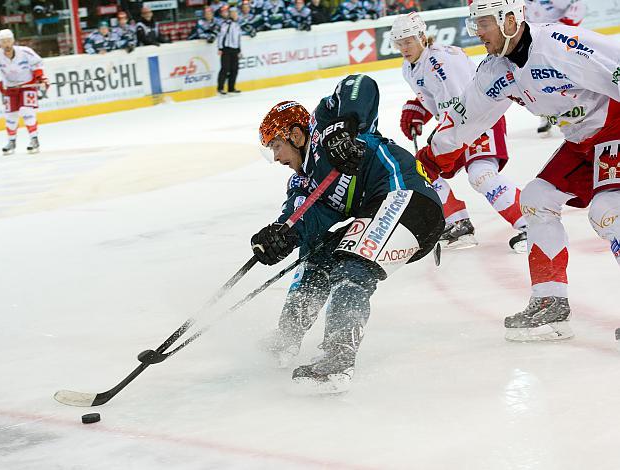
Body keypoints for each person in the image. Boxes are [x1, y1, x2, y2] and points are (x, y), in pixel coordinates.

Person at [415, 0, 620, 341]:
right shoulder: (496, 71)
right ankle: (549, 299)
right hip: (582, 141)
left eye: (484, 23)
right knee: (537, 199)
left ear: (510, 19)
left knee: (608, 212)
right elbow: (467, 119)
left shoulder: (560, 45)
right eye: (475, 24)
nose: (478, 32)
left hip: (615, 126)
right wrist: (431, 160)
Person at [254, 74, 445, 392]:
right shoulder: (304, 182)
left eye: (276, 145)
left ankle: (337, 361)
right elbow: (300, 218)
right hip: (382, 212)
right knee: (317, 254)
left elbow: (360, 84)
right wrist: (280, 235)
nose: (275, 157)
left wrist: (344, 125)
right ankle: (287, 336)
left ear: (297, 135)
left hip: (408, 199)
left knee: (351, 264)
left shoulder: (326, 123)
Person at [391, 12, 527, 252]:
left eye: (408, 41)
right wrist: (418, 108)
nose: (404, 48)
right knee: (424, 172)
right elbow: (437, 96)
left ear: (422, 37)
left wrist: (441, 133)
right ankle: (457, 223)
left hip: (482, 120)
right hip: (456, 126)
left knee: (481, 174)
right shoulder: (411, 66)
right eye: (399, 43)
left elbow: (461, 102)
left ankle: (531, 225)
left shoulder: (440, 61)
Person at [524, 0, 586, 134]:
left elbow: (577, 8)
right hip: (534, 45)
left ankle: (581, 110)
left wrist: (561, 30)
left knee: (568, 78)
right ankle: (546, 115)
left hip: (559, 43)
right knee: (538, 80)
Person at [0, 29, 48, 155]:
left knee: (26, 110)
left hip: (27, 85)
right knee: (10, 115)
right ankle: (11, 141)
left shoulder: (25, 52)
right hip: (10, 87)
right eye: (3, 42)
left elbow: (38, 64)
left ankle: (34, 139)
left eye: (8, 41)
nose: (6, 44)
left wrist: (41, 78)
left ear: (13, 41)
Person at [217, 6, 242, 95]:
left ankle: (231, 88)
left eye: (236, 13)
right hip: (226, 49)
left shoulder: (237, 24)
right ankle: (220, 88)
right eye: (233, 13)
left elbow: (238, 38)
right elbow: (221, 36)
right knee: (225, 69)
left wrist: (239, 50)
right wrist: (220, 48)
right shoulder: (226, 24)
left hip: (235, 49)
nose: (235, 15)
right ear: (230, 14)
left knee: (234, 69)